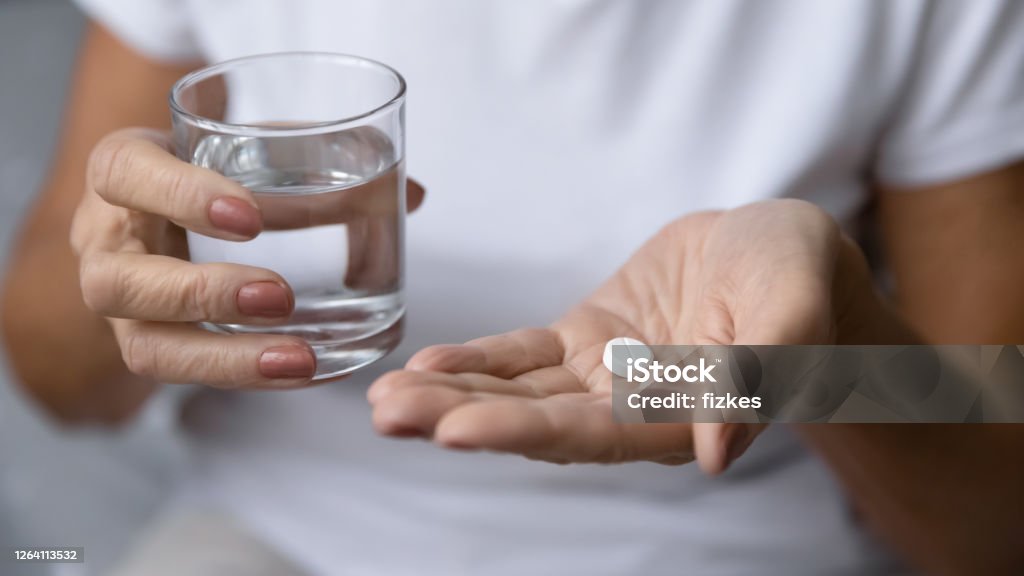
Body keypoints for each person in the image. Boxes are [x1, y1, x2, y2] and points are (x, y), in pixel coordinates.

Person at [2, 0, 1023, 574]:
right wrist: (132, 277)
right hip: (282, 541)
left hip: (722, 551)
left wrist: (814, 353)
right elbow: (51, 379)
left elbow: (992, 527)